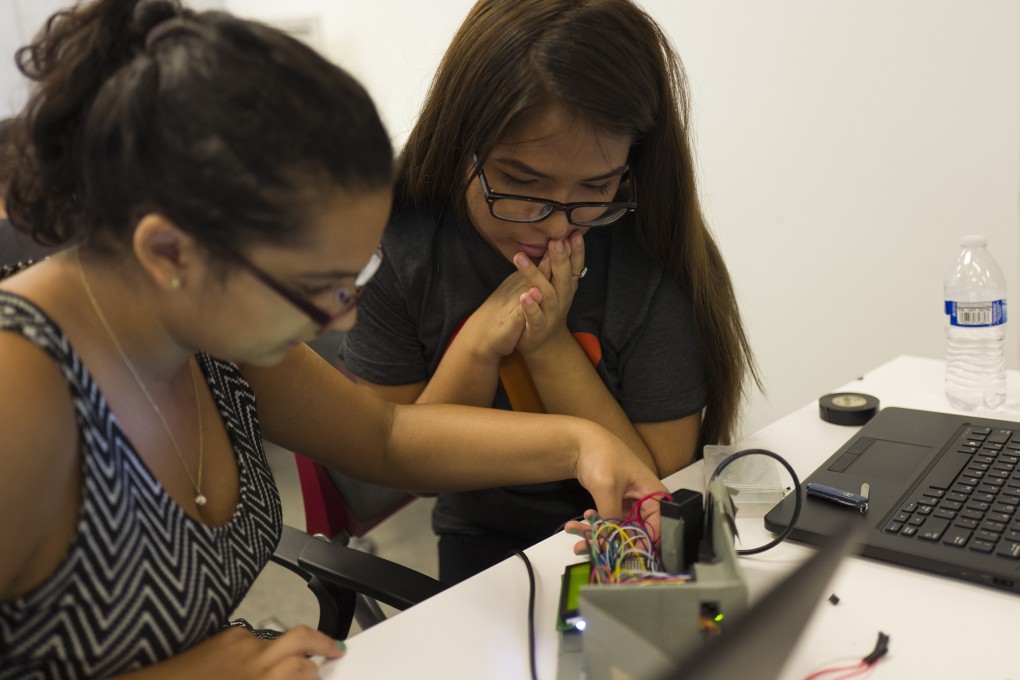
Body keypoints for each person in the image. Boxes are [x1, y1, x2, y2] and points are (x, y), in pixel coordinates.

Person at [0, 1, 668, 678]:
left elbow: (384, 437)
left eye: (355, 278)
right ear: (170, 252)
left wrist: (584, 443)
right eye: (317, 286)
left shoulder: (195, 327)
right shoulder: (19, 384)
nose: (341, 319)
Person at [341, 0, 760, 584]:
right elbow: (407, 460)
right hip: (481, 539)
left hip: (632, 530)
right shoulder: (400, 244)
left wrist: (548, 344)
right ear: (459, 140)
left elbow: (654, 480)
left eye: (596, 187)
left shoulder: (652, 255)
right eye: (519, 183)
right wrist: (480, 342)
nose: (556, 225)